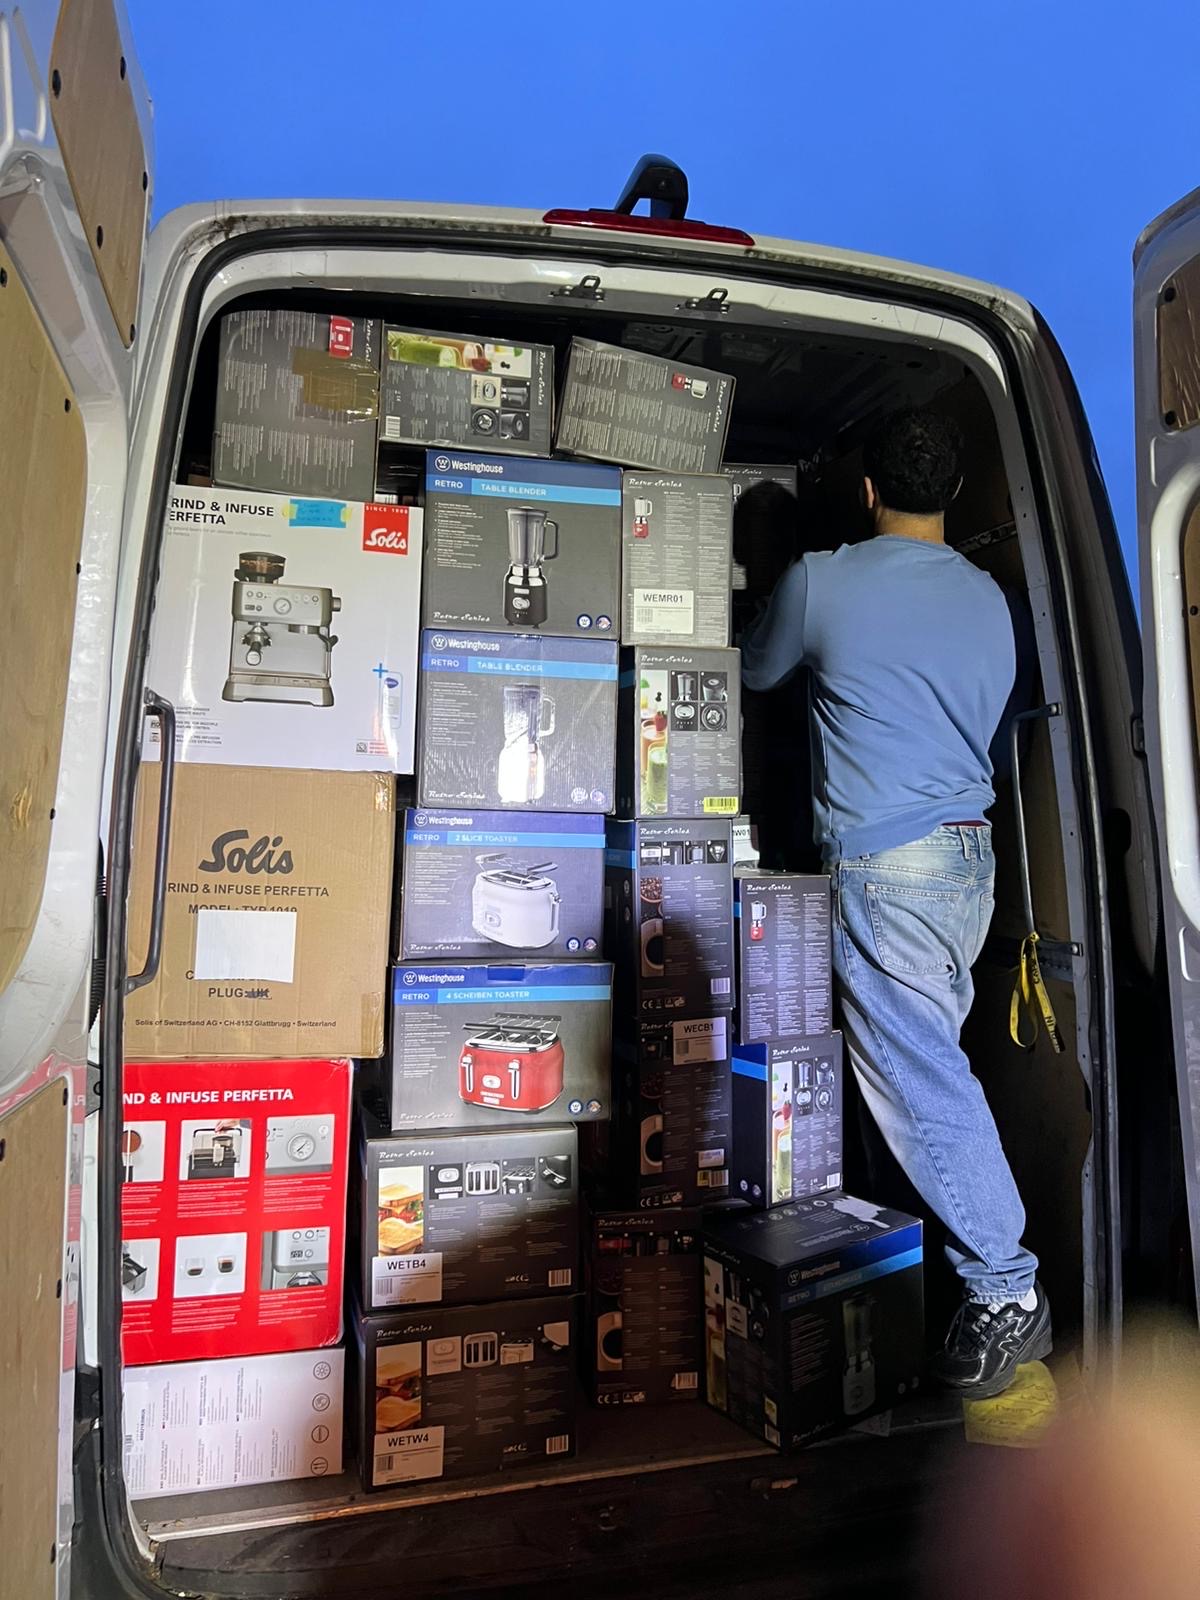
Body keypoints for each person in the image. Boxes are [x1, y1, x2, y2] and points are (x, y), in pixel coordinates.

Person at [739, 408, 1049, 1398]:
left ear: (867, 490)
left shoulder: (821, 581)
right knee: (928, 1075)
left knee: (923, 1085)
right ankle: (916, 1269)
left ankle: (1006, 1288)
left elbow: (753, 669)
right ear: (952, 495)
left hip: (887, 867)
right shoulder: (997, 601)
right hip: (969, 862)